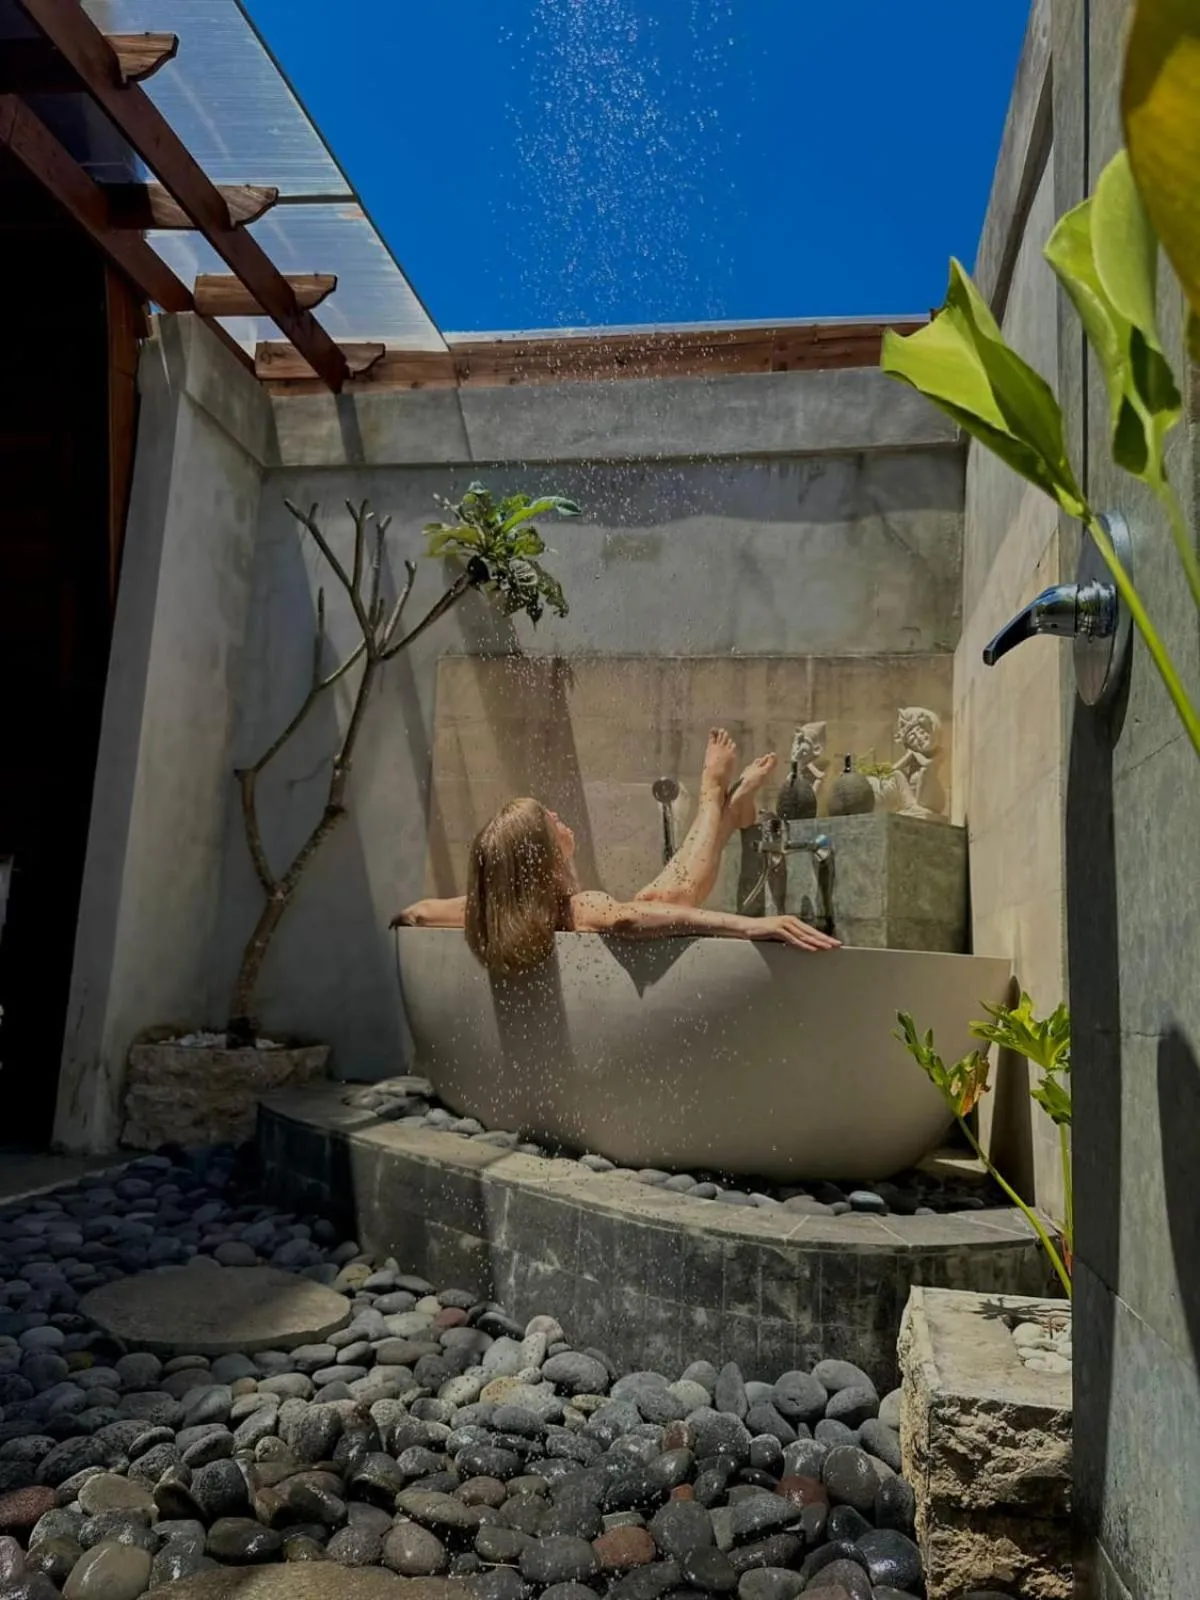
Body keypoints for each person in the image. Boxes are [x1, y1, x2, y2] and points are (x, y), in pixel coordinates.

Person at [392, 728, 841, 977]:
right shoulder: (578, 907)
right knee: (660, 902)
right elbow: (627, 918)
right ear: (542, 857)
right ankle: (714, 797)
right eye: (550, 820)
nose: (558, 815)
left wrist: (405, 918)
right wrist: (748, 924)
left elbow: (421, 913)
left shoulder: (495, 909)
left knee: (657, 899)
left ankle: (720, 812)